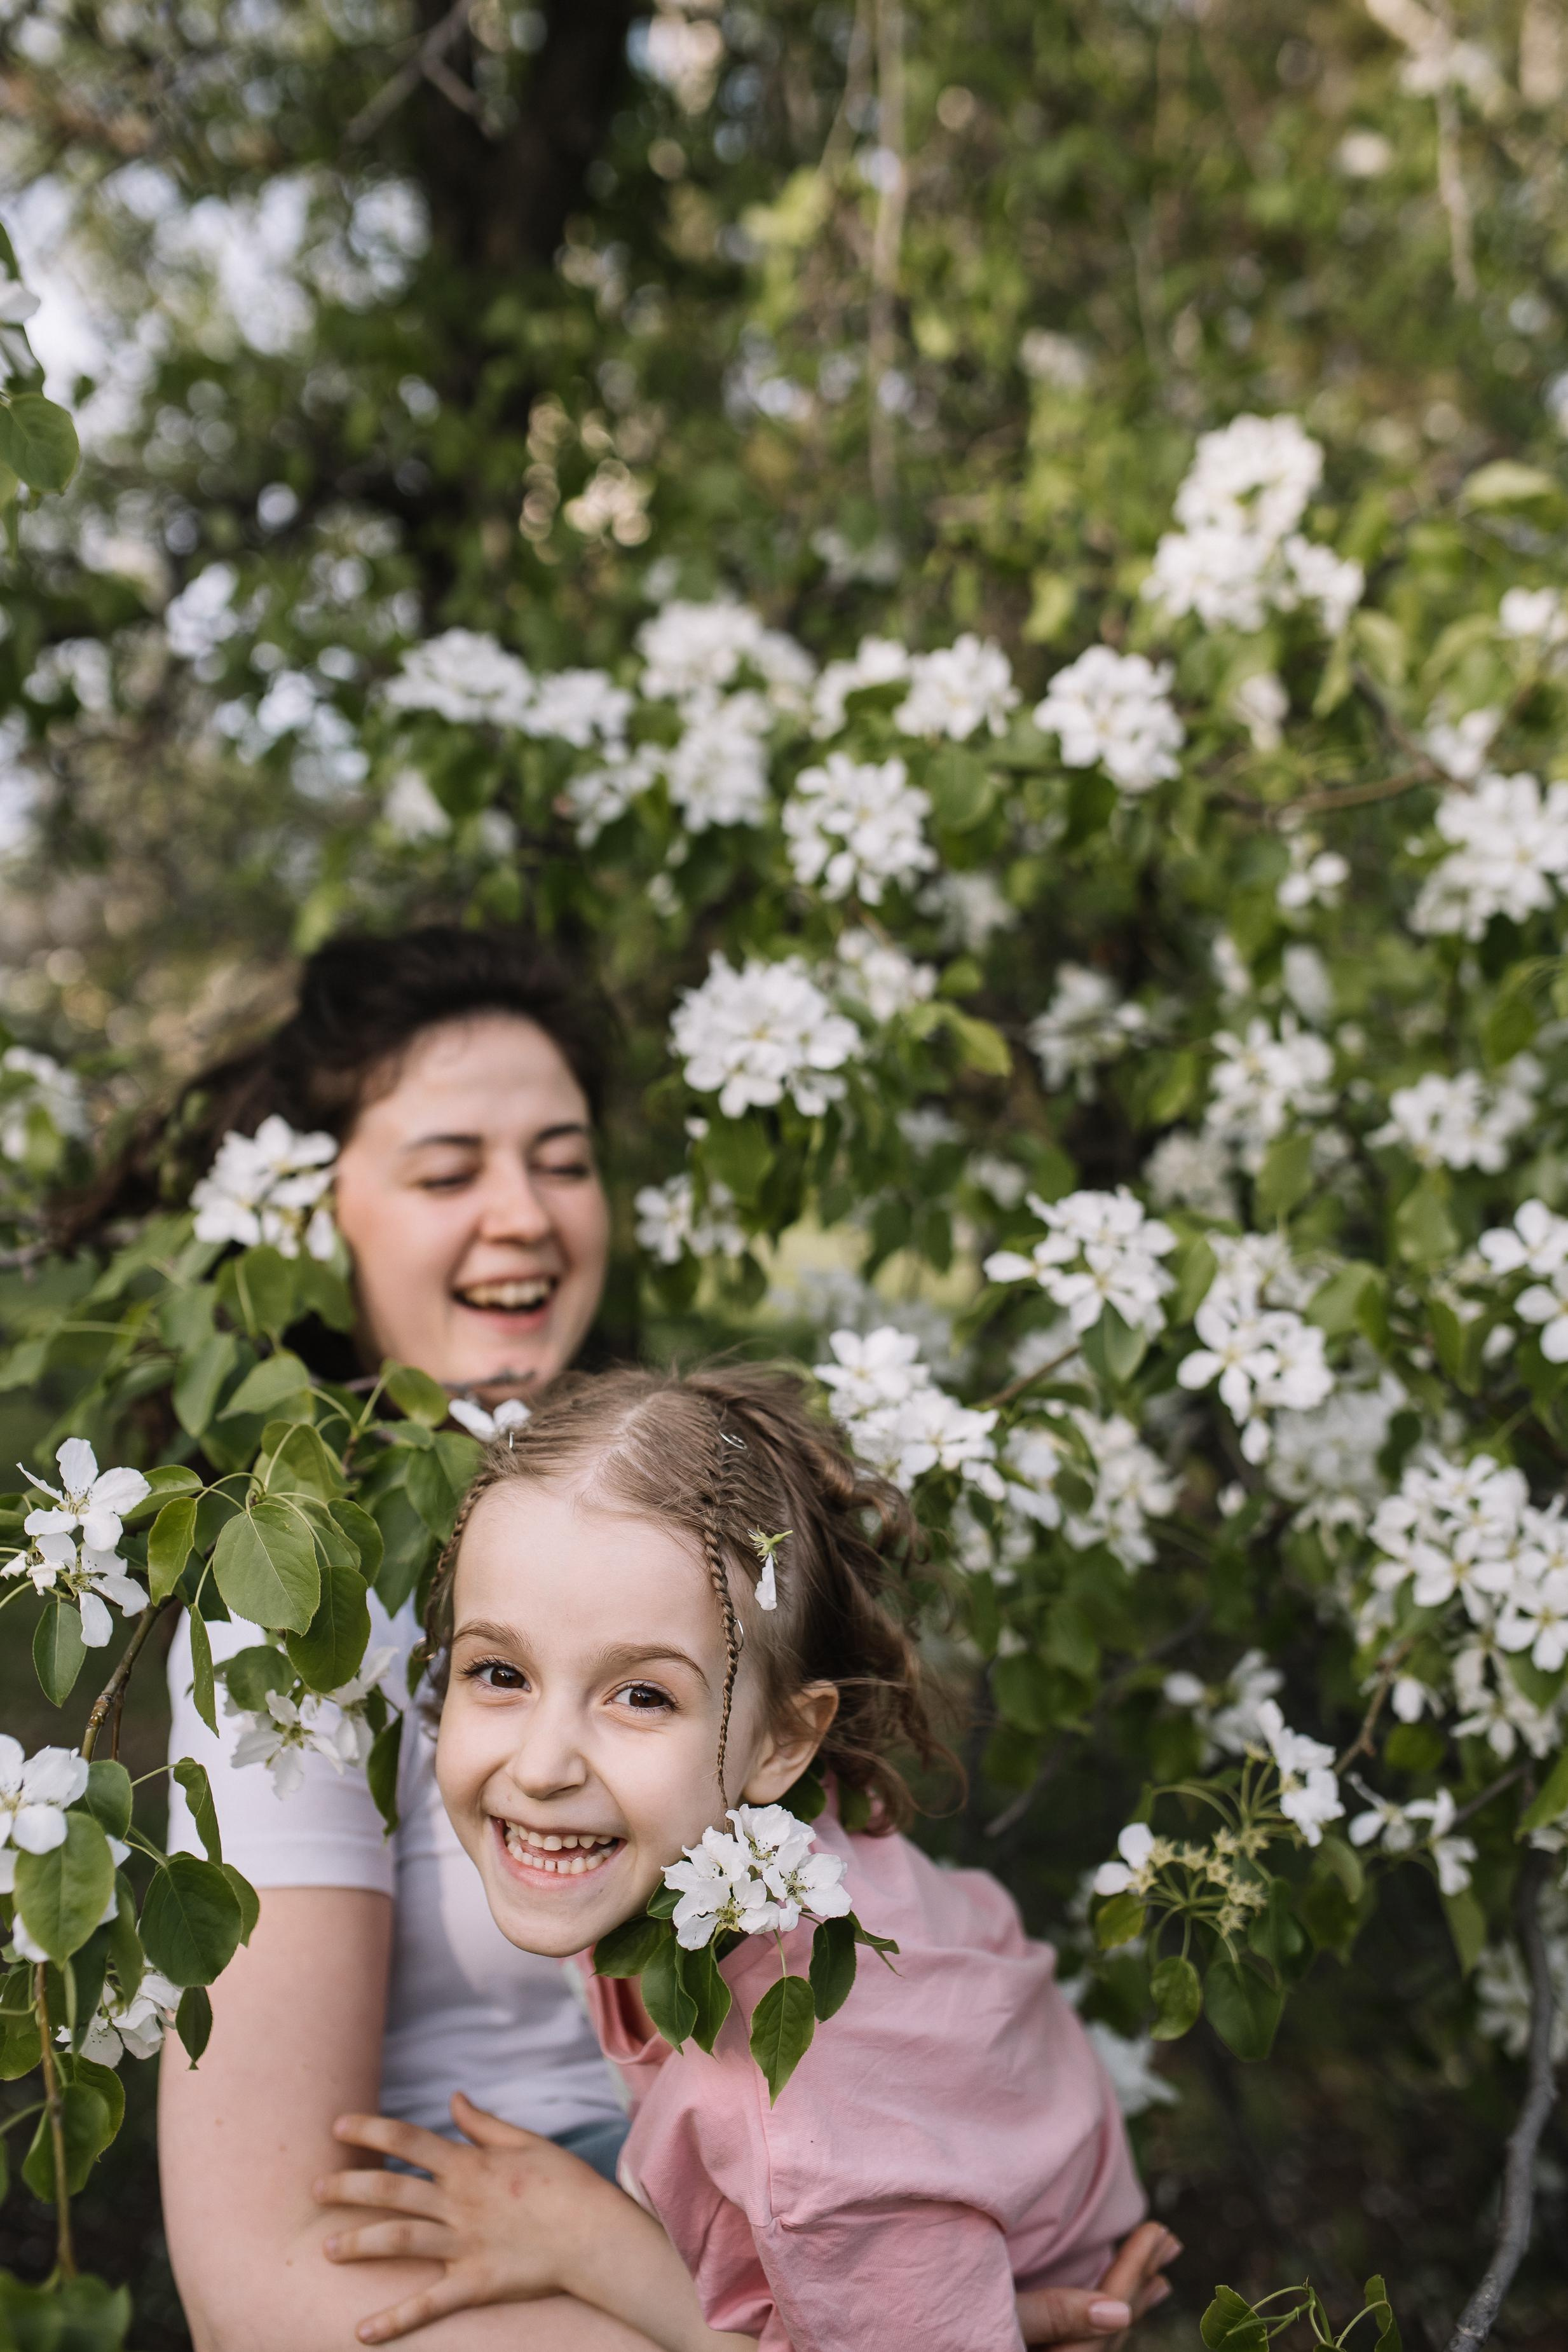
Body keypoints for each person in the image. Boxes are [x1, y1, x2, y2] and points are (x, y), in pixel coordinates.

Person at [313, 1365, 1180, 2352]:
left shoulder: (802, 2131)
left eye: (643, 1696)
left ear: (784, 1740)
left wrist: (592, 2246)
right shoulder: (741, 1838)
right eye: (500, 1672)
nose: (543, 1767)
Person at [152, 924, 665, 2352]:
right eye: (448, 1173)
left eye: (562, 1161)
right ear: (316, 1227)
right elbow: (263, 2279)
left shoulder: (712, 1529)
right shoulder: (306, 1604)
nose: (525, 1215)